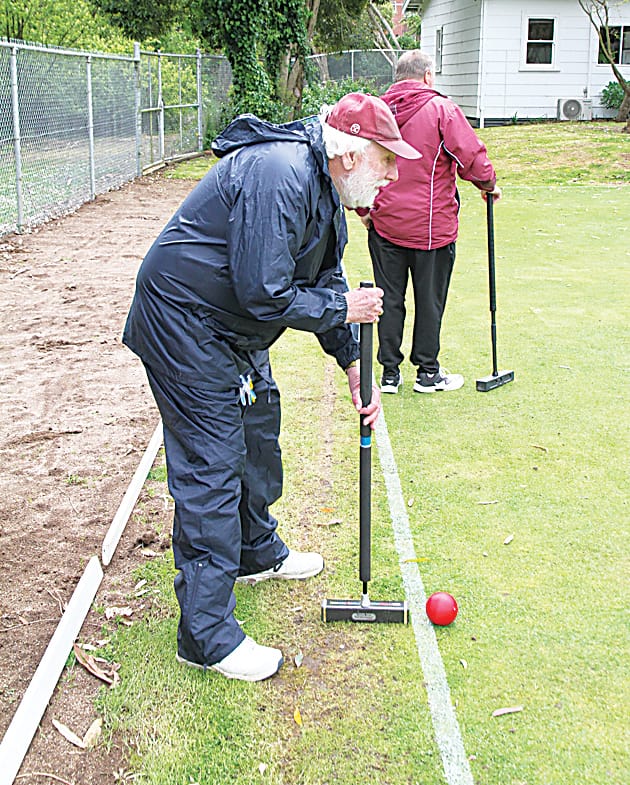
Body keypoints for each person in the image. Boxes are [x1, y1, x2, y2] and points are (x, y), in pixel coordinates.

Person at [122, 93, 420, 682]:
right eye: (388, 164)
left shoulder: (328, 193)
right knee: (213, 460)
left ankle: (254, 551)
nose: (391, 178)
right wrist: (344, 305)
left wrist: (352, 364)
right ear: (354, 154)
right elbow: (266, 291)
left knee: (259, 428)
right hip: (185, 320)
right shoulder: (281, 174)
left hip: (231, 326)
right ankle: (205, 638)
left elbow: (324, 278)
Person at [362, 49, 502, 394]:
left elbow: (357, 164)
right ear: (427, 76)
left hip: (385, 223)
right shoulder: (442, 109)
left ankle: (390, 373)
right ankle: (427, 372)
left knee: (388, 298)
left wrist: (363, 210)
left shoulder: (376, 112)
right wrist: (488, 184)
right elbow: (470, 155)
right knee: (429, 299)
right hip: (431, 228)